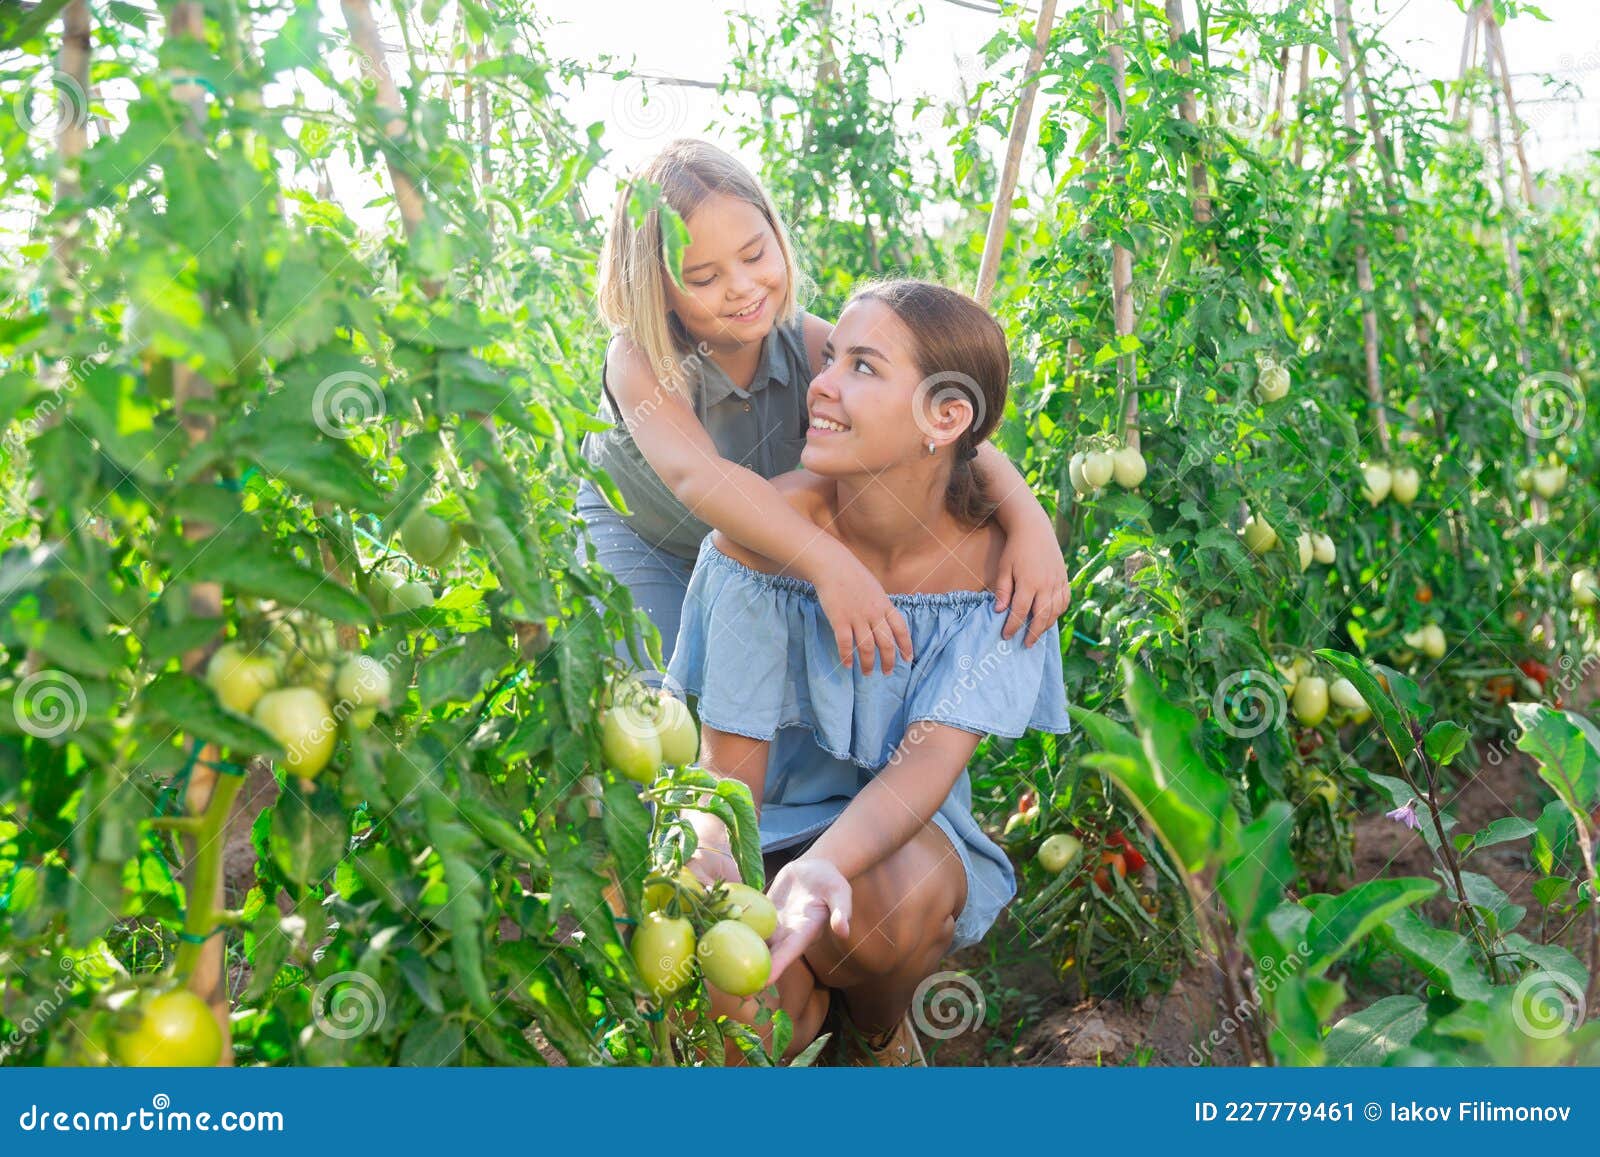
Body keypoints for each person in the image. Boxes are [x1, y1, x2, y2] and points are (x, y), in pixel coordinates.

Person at [664, 280, 1072, 1065]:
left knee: (892, 909)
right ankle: (809, 1017)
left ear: (944, 417)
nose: (820, 384)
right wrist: (710, 853)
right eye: (829, 360)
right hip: (773, 826)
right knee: (727, 987)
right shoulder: (759, 546)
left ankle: (879, 1030)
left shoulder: (1007, 576)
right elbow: (732, 772)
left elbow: (924, 763)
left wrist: (825, 865)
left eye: (862, 367)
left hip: (906, 834)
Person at [576, 138, 1070, 681]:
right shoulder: (641, 358)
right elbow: (700, 478)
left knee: (771, 685)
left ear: (775, 234)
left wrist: (1030, 524)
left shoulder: (808, 342)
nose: (742, 288)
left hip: (761, 536)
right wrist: (830, 564)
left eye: (754, 255)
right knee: (657, 697)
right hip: (646, 539)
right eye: (704, 279)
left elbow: (927, 418)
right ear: (658, 288)